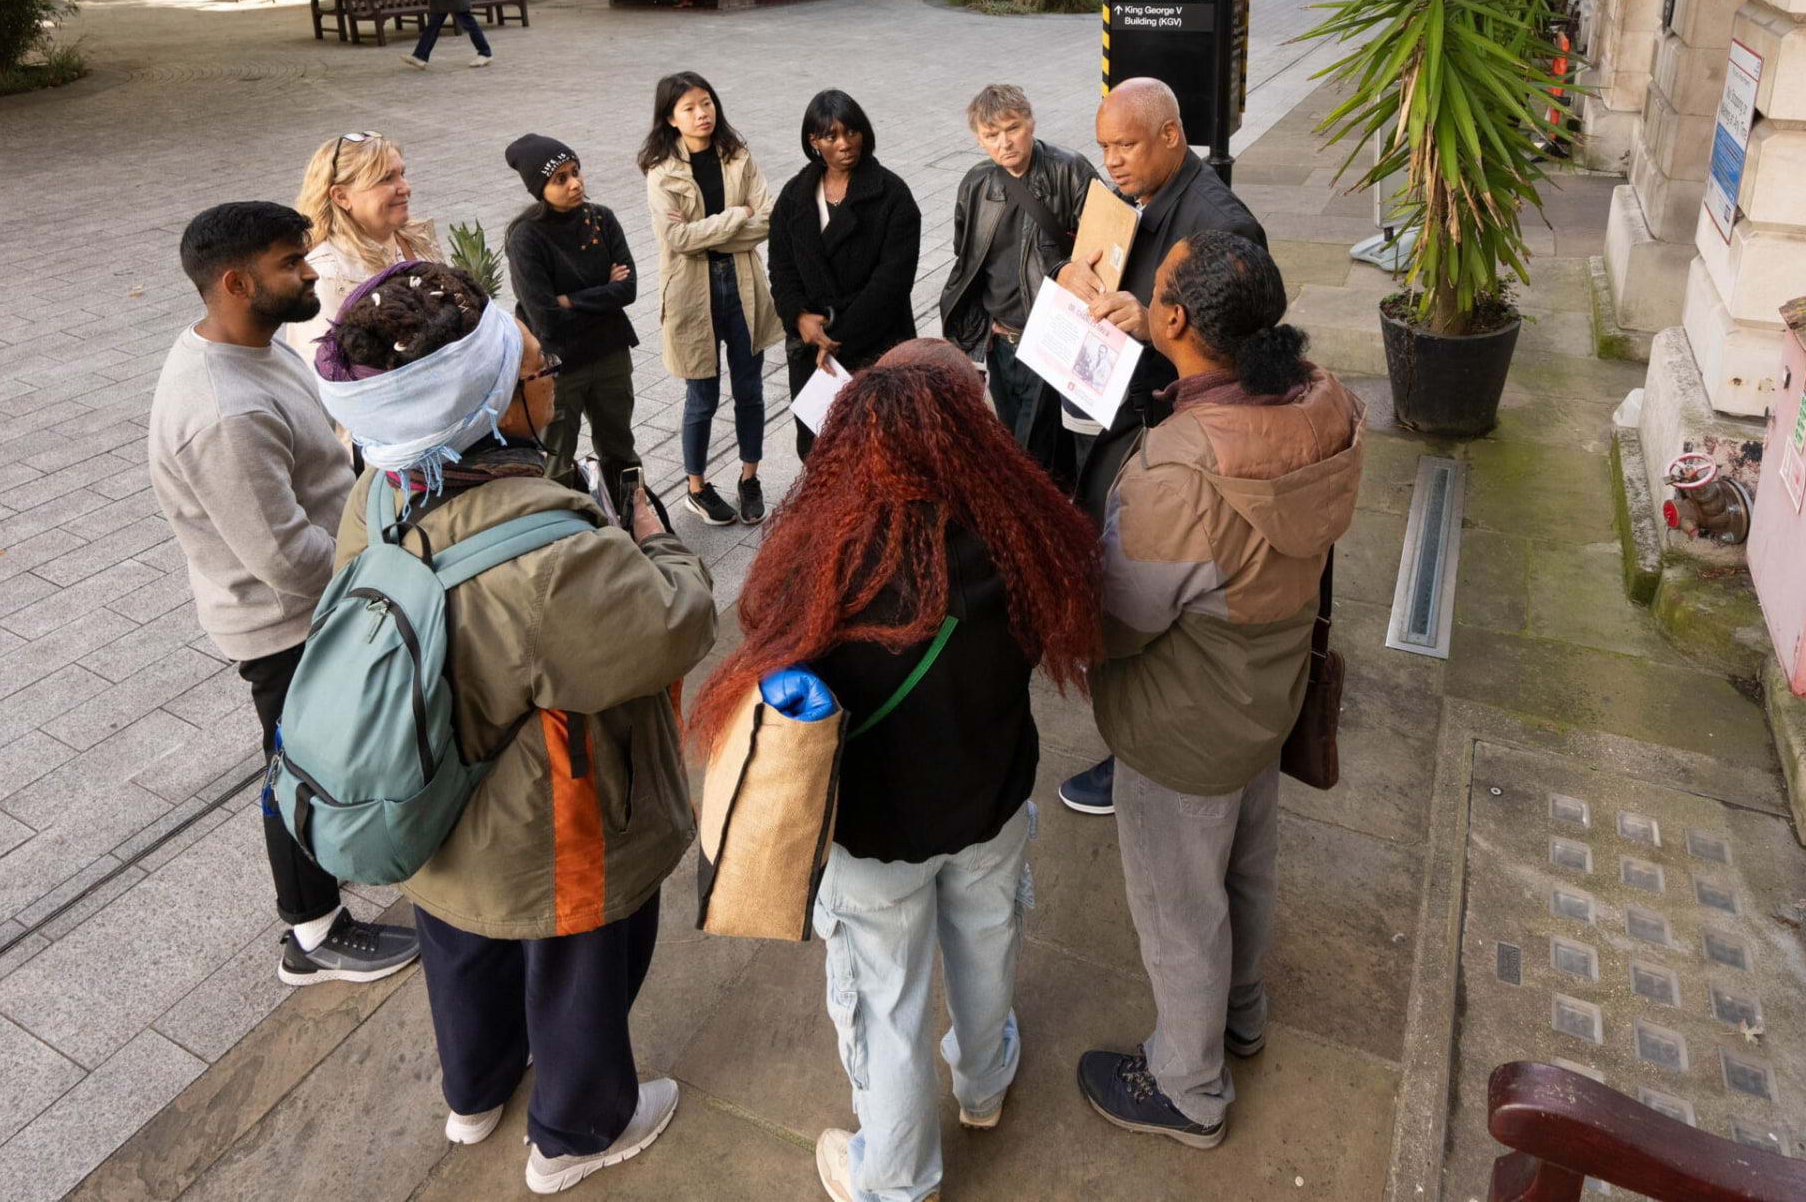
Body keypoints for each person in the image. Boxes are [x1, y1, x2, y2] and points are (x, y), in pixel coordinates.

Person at [312, 261, 716, 1194]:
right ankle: (576, 1130)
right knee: (576, 957)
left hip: (427, 792)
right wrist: (652, 537)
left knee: (461, 937)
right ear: (488, 403)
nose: (550, 379)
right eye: (535, 369)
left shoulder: (379, 491)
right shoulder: (545, 549)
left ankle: (476, 1090)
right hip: (547, 810)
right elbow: (671, 628)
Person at [684, 342, 1103, 1202]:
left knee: (887, 1006)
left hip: (874, 834)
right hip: (989, 803)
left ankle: (898, 1180)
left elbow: (775, 670)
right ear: (970, 435)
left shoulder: (822, 565)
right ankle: (984, 1084)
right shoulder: (1020, 539)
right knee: (988, 950)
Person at [1075, 231, 1362, 1149]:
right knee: (1245, 868)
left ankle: (1188, 1087)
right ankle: (1242, 1014)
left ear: (1174, 319)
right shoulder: (1323, 401)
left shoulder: (1179, 469)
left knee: (1179, 908)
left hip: (1183, 725)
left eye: (1157, 285)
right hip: (1268, 693)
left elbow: (1121, 619)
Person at [146, 202, 421, 990]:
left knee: (312, 761)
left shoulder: (253, 346)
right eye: (290, 263)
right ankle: (313, 933)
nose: (309, 273)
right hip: (289, 625)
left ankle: (328, 878)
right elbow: (287, 558)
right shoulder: (222, 411)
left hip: (323, 600)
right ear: (236, 282)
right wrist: (383, 573)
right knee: (297, 770)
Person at [1052, 77, 1267, 817]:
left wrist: (1151, 325)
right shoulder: (1132, 197)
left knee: (1153, 603)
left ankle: (1136, 757)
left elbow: (1240, 354)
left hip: (1174, 441)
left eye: (1127, 145)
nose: (1112, 160)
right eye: (1104, 146)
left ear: (1171, 135)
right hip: (1122, 417)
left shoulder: (1221, 227)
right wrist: (1071, 276)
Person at [937, 83, 1099, 478]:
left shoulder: (1069, 169)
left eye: (1013, 128)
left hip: (1051, 340)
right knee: (1012, 444)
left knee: (1031, 458)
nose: (1005, 142)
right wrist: (976, 333)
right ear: (979, 139)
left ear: (1031, 123)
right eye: (992, 135)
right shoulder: (976, 184)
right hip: (1000, 342)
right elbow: (967, 258)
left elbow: (1105, 243)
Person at [641, 71, 780, 526]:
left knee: (750, 390)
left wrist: (713, 233)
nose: (702, 114)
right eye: (689, 108)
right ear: (670, 118)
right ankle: (696, 488)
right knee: (701, 395)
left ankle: (749, 478)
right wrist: (737, 215)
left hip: (742, 283)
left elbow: (768, 219)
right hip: (691, 292)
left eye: (707, 103)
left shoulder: (738, 156)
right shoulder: (662, 172)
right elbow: (678, 239)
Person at [768, 90, 922, 458]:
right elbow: (781, 266)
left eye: (852, 132)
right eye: (831, 136)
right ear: (814, 141)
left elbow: (891, 283)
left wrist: (836, 336)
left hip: (876, 348)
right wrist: (799, 317)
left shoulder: (892, 194)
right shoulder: (794, 195)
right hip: (812, 351)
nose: (844, 143)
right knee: (820, 453)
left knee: (882, 455)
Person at [502, 133, 642, 499]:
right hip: (559, 366)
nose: (575, 183)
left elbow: (628, 290)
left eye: (575, 171)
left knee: (621, 452)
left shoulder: (602, 219)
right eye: (560, 178)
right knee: (555, 462)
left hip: (611, 354)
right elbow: (546, 319)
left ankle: (633, 518)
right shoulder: (526, 238)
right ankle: (565, 528)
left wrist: (569, 300)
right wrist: (603, 295)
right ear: (540, 188)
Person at [283, 131, 441, 366]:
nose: (405, 187)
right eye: (385, 179)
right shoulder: (325, 277)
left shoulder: (417, 240)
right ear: (341, 196)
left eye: (402, 174)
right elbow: (323, 372)